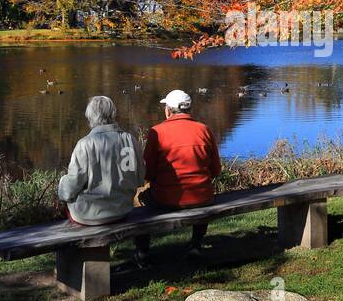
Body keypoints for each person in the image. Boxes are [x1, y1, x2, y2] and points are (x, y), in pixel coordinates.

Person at [138, 89, 221, 265]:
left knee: (139, 198)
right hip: (203, 197)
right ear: (188, 109)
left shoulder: (157, 132)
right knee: (200, 193)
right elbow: (215, 170)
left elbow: (148, 173)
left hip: (167, 199)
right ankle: (196, 245)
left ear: (169, 110)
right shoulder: (204, 130)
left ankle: (142, 251)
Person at [57, 95, 143, 226]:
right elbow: (140, 177)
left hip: (91, 215)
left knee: (67, 201)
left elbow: (70, 188)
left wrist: (62, 184)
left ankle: (87, 246)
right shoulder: (130, 139)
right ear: (113, 114)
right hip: (123, 210)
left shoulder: (85, 144)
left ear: (90, 117)